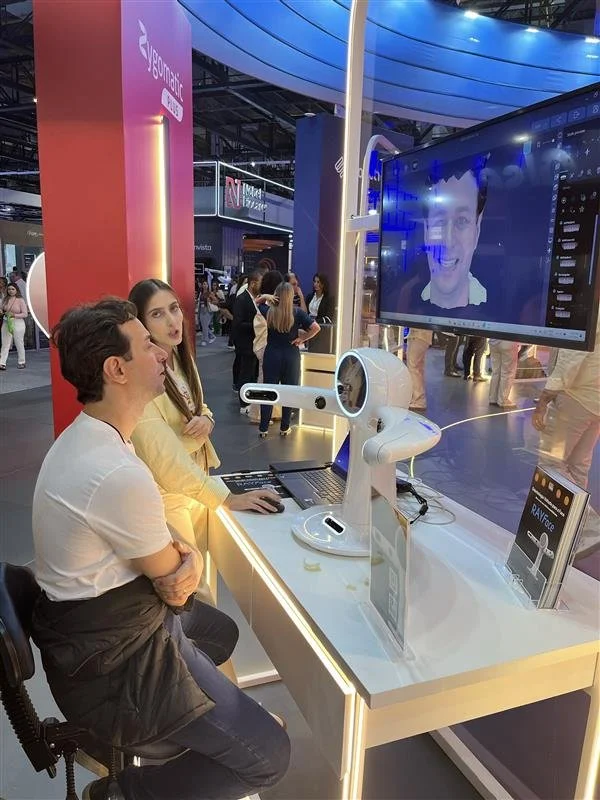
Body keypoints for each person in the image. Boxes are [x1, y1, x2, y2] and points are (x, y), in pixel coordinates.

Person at [31, 298, 290, 800]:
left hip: (92, 641)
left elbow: (164, 565)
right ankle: (123, 793)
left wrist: (177, 560)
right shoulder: (118, 472)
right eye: (147, 343)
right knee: (270, 755)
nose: (161, 349)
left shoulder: (90, 439)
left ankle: (205, 722)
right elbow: (175, 588)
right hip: (114, 665)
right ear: (116, 369)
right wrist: (184, 560)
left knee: (221, 630)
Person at [128, 277, 281, 550]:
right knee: (189, 583)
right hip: (166, 495)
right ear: (140, 324)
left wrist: (207, 420)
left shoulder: (181, 359)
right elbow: (164, 461)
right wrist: (226, 498)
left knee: (199, 569)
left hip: (196, 481)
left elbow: (199, 405)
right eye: (157, 314)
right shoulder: (142, 378)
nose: (173, 321)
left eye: (174, 309)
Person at [531, 319, 600, 560]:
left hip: (575, 397)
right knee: (578, 464)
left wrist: (544, 398)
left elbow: (573, 356)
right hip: (595, 400)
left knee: (552, 461)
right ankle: (574, 533)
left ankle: (587, 523)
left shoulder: (589, 306)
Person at [421, 167, 488, 310]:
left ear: (477, 230)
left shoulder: (496, 311)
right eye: (440, 221)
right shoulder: (406, 300)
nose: (449, 242)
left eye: (462, 221)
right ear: (426, 231)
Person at [258, 282, 320, 437]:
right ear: (291, 296)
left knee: (268, 391)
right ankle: (285, 427)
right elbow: (316, 327)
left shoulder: (269, 311)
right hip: (291, 355)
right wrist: (302, 339)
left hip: (272, 354)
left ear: (276, 295)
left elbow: (255, 302)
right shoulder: (297, 313)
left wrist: (265, 297)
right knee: (289, 391)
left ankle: (263, 428)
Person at [232, 269, 263, 414]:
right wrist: (257, 325)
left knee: (252, 374)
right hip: (245, 344)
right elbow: (238, 323)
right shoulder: (241, 299)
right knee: (245, 374)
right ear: (253, 283)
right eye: (260, 283)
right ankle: (243, 404)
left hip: (254, 343)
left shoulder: (255, 299)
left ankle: (250, 400)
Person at [0, 282, 28, 370]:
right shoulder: (5, 299)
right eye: (9, 289)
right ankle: (2, 362)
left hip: (18, 323)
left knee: (19, 342)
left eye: (13, 289)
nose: (11, 291)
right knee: (5, 343)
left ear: (16, 290)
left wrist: (14, 315)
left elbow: (25, 314)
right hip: (6, 322)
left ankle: (22, 361)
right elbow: (2, 308)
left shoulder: (20, 300)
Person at [406, 328, 433, 412]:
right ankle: (418, 399)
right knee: (418, 367)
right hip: (421, 335)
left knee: (413, 366)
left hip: (419, 335)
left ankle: (418, 400)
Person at [488, 338, 520, 408]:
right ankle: (503, 400)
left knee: (495, 371)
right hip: (508, 340)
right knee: (507, 372)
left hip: (493, 340)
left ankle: (492, 398)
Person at [196, 278, 215, 347]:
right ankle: (212, 336)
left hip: (207, 310)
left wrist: (209, 301)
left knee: (205, 325)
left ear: (208, 285)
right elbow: (199, 302)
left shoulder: (210, 293)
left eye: (206, 284)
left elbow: (215, 300)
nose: (204, 285)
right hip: (201, 309)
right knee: (204, 325)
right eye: (203, 284)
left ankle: (204, 340)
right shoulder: (200, 292)